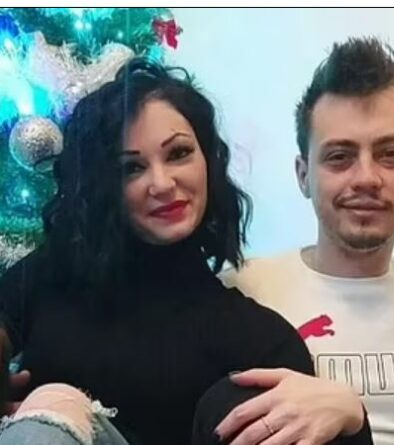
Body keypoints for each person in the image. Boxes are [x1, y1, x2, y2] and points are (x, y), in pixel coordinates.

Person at [0, 58, 372, 445]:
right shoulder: (48, 277)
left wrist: (351, 416)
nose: (162, 184)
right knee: (53, 406)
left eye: (178, 154)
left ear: (207, 160)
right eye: (132, 168)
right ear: (102, 184)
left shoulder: (256, 337)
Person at [220, 36, 394, 445]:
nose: (367, 178)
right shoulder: (245, 292)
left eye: (390, 154)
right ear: (303, 175)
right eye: (340, 156)